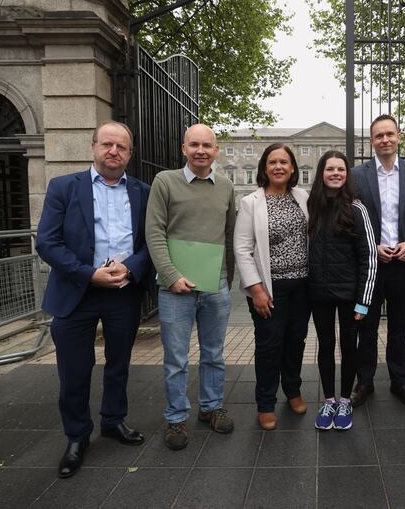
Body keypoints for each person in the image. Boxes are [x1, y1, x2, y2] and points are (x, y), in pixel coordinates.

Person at [36, 121, 151, 479]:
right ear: (93, 147)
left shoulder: (144, 192)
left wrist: (131, 269)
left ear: (130, 154)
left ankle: (113, 421)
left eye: (121, 147)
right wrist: (89, 273)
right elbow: (47, 242)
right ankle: (77, 436)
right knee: (74, 371)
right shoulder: (63, 187)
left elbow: (153, 242)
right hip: (77, 292)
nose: (113, 151)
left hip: (123, 293)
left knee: (119, 365)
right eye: (107, 144)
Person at [146, 123, 236, 450]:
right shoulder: (165, 182)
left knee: (214, 354)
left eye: (207, 145)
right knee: (176, 358)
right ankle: (176, 418)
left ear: (216, 150)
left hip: (216, 287)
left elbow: (229, 236)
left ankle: (211, 408)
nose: (201, 150)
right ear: (184, 148)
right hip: (174, 289)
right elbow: (154, 233)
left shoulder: (225, 186)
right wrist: (171, 275)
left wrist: (227, 278)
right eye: (194, 145)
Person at [350, 114, 405, 410]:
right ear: (372, 141)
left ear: (398, 137)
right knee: (365, 325)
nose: (385, 139)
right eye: (379, 135)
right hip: (371, 266)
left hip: (402, 264)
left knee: (400, 327)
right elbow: (352, 217)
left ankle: (399, 381)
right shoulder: (357, 174)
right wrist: (372, 246)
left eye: (389, 134)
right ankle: (364, 382)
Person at [234, 143, 311, 430]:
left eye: (284, 162)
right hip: (269, 288)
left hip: (302, 286)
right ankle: (266, 402)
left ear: (292, 168)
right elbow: (242, 249)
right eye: (272, 162)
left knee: (296, 342)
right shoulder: (251, 202)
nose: (279, 166)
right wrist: (256, 290)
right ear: (264, 168)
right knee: (269, 345)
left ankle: (292, 390)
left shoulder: (303, 197)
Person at [308, 151, 377, 430]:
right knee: (325, 347)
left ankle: (345, 399)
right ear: (321, 173)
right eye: (329, 169)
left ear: (347, 175)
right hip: (318, 293)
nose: (335, 173)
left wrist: (364, 302)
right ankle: (329, 400)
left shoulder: (357, 209)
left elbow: (369, 257)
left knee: (349, 348)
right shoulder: (310, 206)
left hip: (350, 296)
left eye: (341, 169)